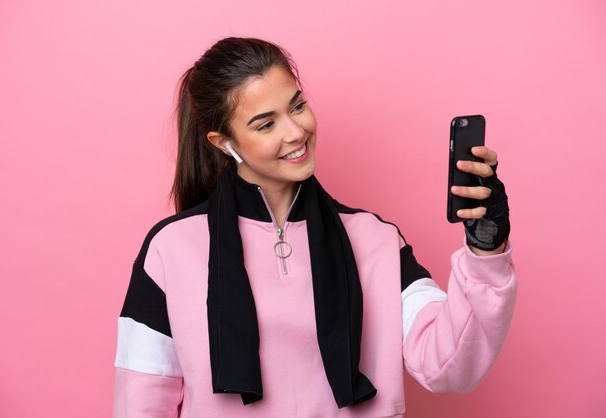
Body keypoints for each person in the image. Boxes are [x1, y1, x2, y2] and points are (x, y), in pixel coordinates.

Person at [112, 37, 516, 418]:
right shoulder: (171, 248)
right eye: (265, 124)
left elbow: (450, 365)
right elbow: (141, 404)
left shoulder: (375, 240)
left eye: (298, 106)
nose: (295, 131)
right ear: (223, 143)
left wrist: (487, 247)